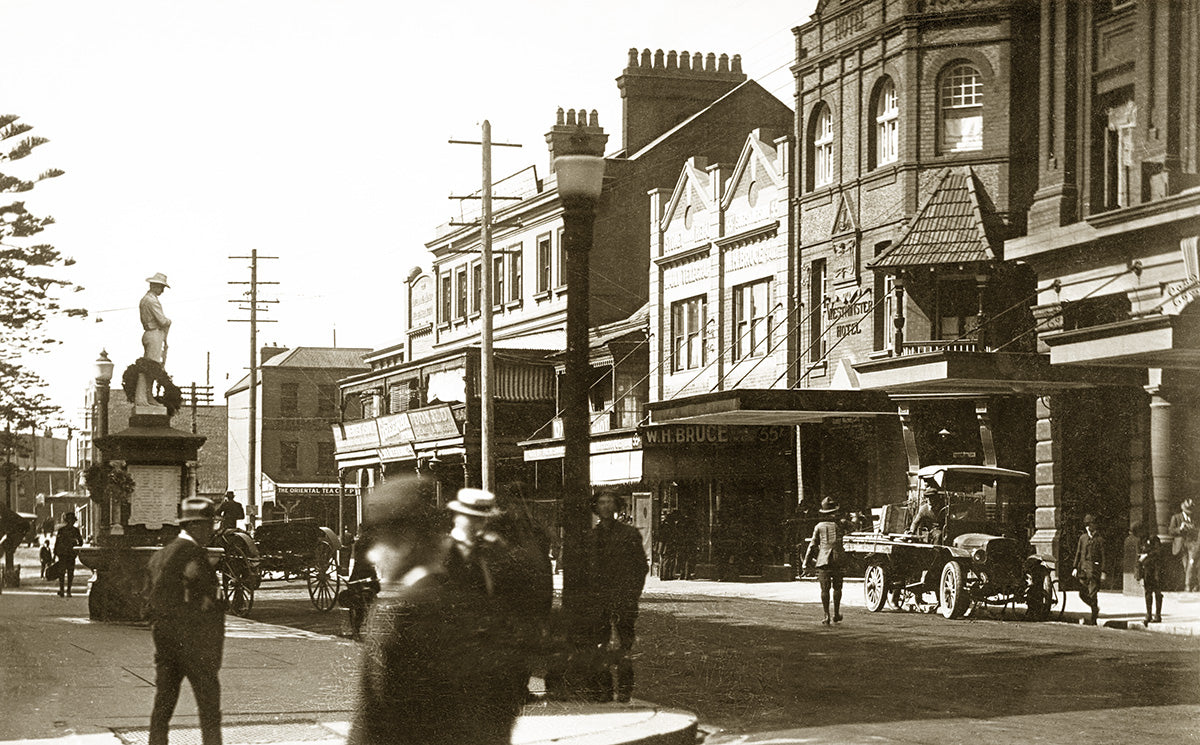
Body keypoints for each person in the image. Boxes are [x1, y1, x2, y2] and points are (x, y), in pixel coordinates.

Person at [348, 475, 522, 745]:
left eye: (379, 543)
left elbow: (371, 724)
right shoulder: (449, 597)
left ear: (402, 542)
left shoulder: (394, 612)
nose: (373, 557)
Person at [145, 498, 225, 745]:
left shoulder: (160, 555)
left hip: (167, 647)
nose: (212, 529)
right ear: (194, 526)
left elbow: (149, 604)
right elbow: (205, 604)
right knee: (210, 710)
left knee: (162, 707)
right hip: (194, 648)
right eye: (209, 524)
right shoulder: (191, 555)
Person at [585, 492, 649, 703]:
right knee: (599, 644)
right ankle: (603, 689)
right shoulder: (590, 536)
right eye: (601, 503)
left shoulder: (629, 534)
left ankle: (624, 689)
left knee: (624, 646)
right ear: (596, 507)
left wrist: (632, 595)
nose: (605, 506)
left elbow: (641, 567)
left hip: (623, 599)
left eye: (609, 502)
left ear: (616, 506)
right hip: (598, 600)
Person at [803, 498, 846, 625]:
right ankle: (836, 614)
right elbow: (852, 525)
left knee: (824, 589)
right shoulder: (840, 525)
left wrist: (806, 562)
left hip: (823, 560)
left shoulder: (818, 527)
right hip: (837, 559)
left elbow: (812, 545)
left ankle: (826, 615)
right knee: (837, 588)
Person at [1071, 513, 1106, 625]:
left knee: (1092, 593)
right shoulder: (1083, 538)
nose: (1088, 527)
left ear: (1094, 525)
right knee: (1082, 593)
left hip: (1094, 570)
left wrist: (1103, 571)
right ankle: (1094, 608)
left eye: (1090, 524)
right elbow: (1078, 553)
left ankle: (1093, 618)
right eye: (1086, 525)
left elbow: (1104, 556)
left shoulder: (1100, 539)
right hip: (1083, 569)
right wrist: (1075, 567)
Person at [140, 273, 172, 365]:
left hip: (149, 333)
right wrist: (169, 321)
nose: (162, 291)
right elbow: (162, 321)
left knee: (149, 364)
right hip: (154, 333)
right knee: (153, 365)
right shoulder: (152, 300)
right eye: (161, 287)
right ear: (154, 286)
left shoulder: (145, 299)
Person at [1168, 498, 1199, 592]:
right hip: (1180, 546)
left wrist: (1193, 528)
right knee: (1186, 565)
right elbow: (1171, 531)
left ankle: (1188, 585)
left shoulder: (1194, 519)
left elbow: (1198, 531)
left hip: (1191, 545)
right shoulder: (1176, 517)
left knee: (1191, 564)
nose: (1190, 513)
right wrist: (1180, 529)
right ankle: (1192, 584)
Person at [1136, 535, 1166, 624]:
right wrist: (1139, 575)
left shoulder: (1154, 539)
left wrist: (1147, 555)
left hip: (1156, 570)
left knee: (1157, 592)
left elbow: (1159, 552)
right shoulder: (1139, 542)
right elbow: (1138, 558)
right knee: (1148, 593)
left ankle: (1158, 615)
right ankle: (1148, 614)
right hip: (1146, 570)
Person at [53, 512, 84, 597]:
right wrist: (76, 549)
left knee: (65, 572)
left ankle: (65, 590)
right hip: (67, 554)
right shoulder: (73, 530)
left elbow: (80, 541)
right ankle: (65, 590)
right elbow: (80, 542)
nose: (71, 522)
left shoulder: (64, 530)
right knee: (66, 572)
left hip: (65, 554)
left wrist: (55, 554)